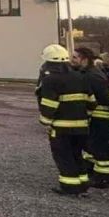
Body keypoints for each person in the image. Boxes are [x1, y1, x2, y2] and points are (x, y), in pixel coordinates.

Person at [38, 44, 93, 196]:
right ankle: (83, 185)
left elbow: (49, 105)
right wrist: (84, 117)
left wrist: (45, 122)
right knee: (77, 154)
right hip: (82, 126)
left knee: (64, 156)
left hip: (61, 127)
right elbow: (91, 102)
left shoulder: (50, 80)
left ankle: (70, 187)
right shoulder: (81, 76)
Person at [73, 47, 109, 188]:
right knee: (92, 146)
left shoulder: (93, 75)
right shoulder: (88, 73)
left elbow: (104, 97)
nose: (71, 60)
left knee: (100, 148)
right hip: (95, 117)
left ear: (84, 59)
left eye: (75, 57)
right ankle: (92, 172)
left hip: (100, 116)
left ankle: (104, 178)